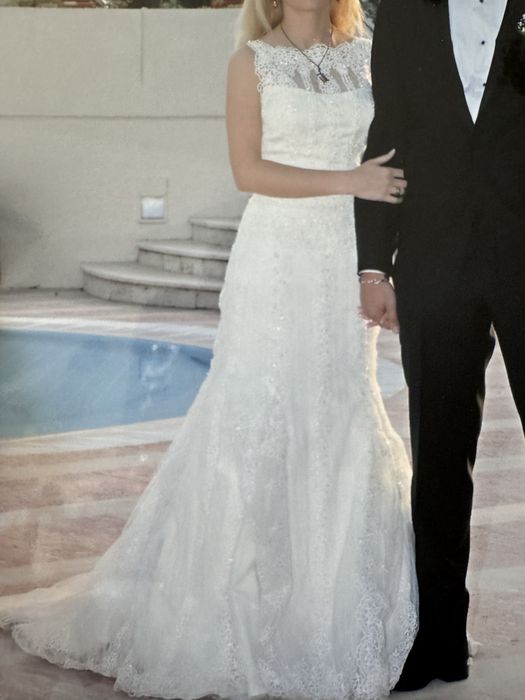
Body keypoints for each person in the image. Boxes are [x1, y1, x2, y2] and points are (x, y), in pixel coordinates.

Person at [0, 1, 417, 698]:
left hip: (345, 257)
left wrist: (386, 260)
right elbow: (249, 172)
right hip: (277, 259)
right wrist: (350, 180)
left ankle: (338, 610)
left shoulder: (368, 56)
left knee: (339, 408)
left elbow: (396, 156)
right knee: (258, 413)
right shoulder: (251, 62)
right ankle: (232, 610)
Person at [356, 0, 525, 692]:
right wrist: (374, 264)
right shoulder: (404, 13)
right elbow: (387, 133)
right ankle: (438, 641)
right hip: (434, 261)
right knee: (439, 461)